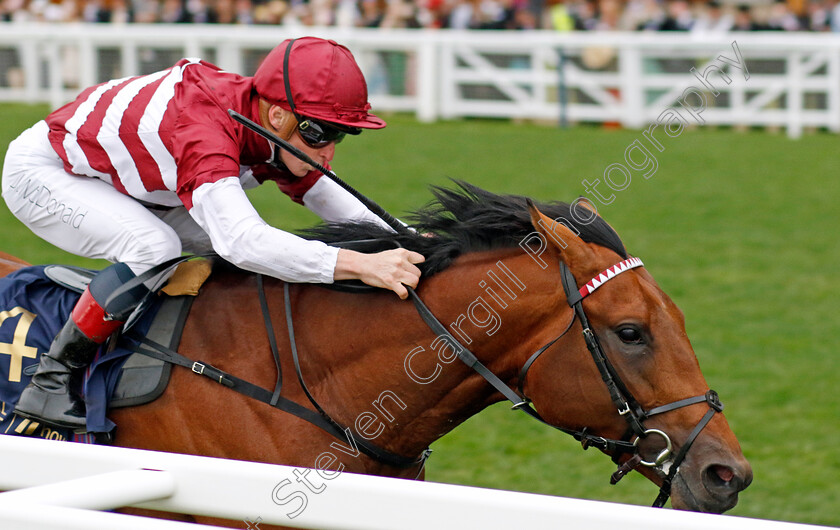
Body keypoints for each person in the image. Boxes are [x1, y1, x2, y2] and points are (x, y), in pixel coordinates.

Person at [1, 36, 425, 430]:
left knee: (220, 250)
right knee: (155, 247)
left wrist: (416, 242)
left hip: (130, 184)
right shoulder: (205, 125)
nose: (327, 150)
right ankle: (51, 382)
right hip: (44, 172)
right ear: (276, 114)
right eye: (319, 133)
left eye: (339, 135)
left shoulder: (267, 121)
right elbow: (242, 241)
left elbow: (327, 194)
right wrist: (362, 265)